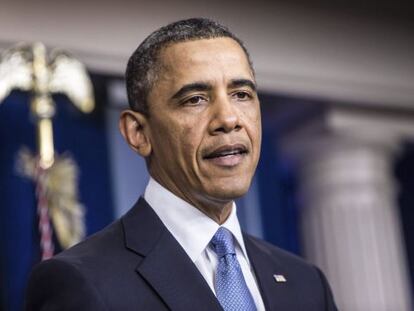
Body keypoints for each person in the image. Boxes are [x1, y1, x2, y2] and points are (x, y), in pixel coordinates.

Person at [25, 18, 337, 310]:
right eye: (195, 100)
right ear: (138, 133)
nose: (228, 119)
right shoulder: (81, 281)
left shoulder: (305, 283)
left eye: (241, 94)